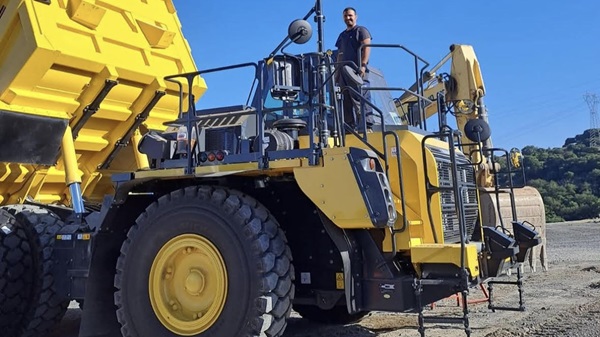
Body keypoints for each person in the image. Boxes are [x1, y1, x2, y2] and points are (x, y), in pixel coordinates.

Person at [335, 7, 376, 130]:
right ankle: (349, 127)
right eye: (346, 16)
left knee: (360, 96)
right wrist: (337, 74)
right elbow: (339, 54)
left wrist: (363, 65)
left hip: (356, 71)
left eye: (350, 15)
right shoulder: (342, 36)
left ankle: (366, 125)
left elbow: (367, 46)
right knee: (345, 99)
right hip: (344, 72)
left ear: (356, 16)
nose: (348, 18)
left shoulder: (361, 31)